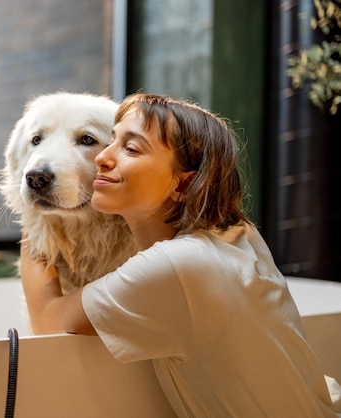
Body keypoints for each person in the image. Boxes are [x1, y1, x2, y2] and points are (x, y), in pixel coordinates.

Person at [20, 93, 341, 417]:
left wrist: (33, 223)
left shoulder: (177, 266)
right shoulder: (235, 235)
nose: (103, 157)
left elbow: (48, 321)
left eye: (131, 148)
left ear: (183, 184)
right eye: (111, 141)